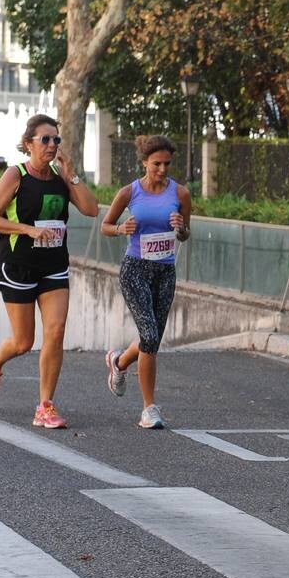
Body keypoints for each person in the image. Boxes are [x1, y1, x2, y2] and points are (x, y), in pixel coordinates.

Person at [0, 114, 99, 427]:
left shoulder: (61, 177)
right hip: (18, 264)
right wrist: (27, 230)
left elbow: (91, 210)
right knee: (23, 342)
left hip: (54, 265)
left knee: (56, 332)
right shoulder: (15, 175)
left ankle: (46, 405)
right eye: (45, 139)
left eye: (56, 140)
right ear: (28, 143)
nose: (52, 145)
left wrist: (72, 177)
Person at [100, 135, 192, 429]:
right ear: (144, 163)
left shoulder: (181, 194)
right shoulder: (130, 193)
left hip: (165, 271)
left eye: (167, 164)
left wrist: (181, 229)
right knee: (150, 336)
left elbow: (186, 233)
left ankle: (118, 362)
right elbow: (105, 226)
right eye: (156, 164)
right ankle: (149, 409)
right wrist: (120, 228)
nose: (162, 169)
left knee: (151, 339)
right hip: (135, 269)